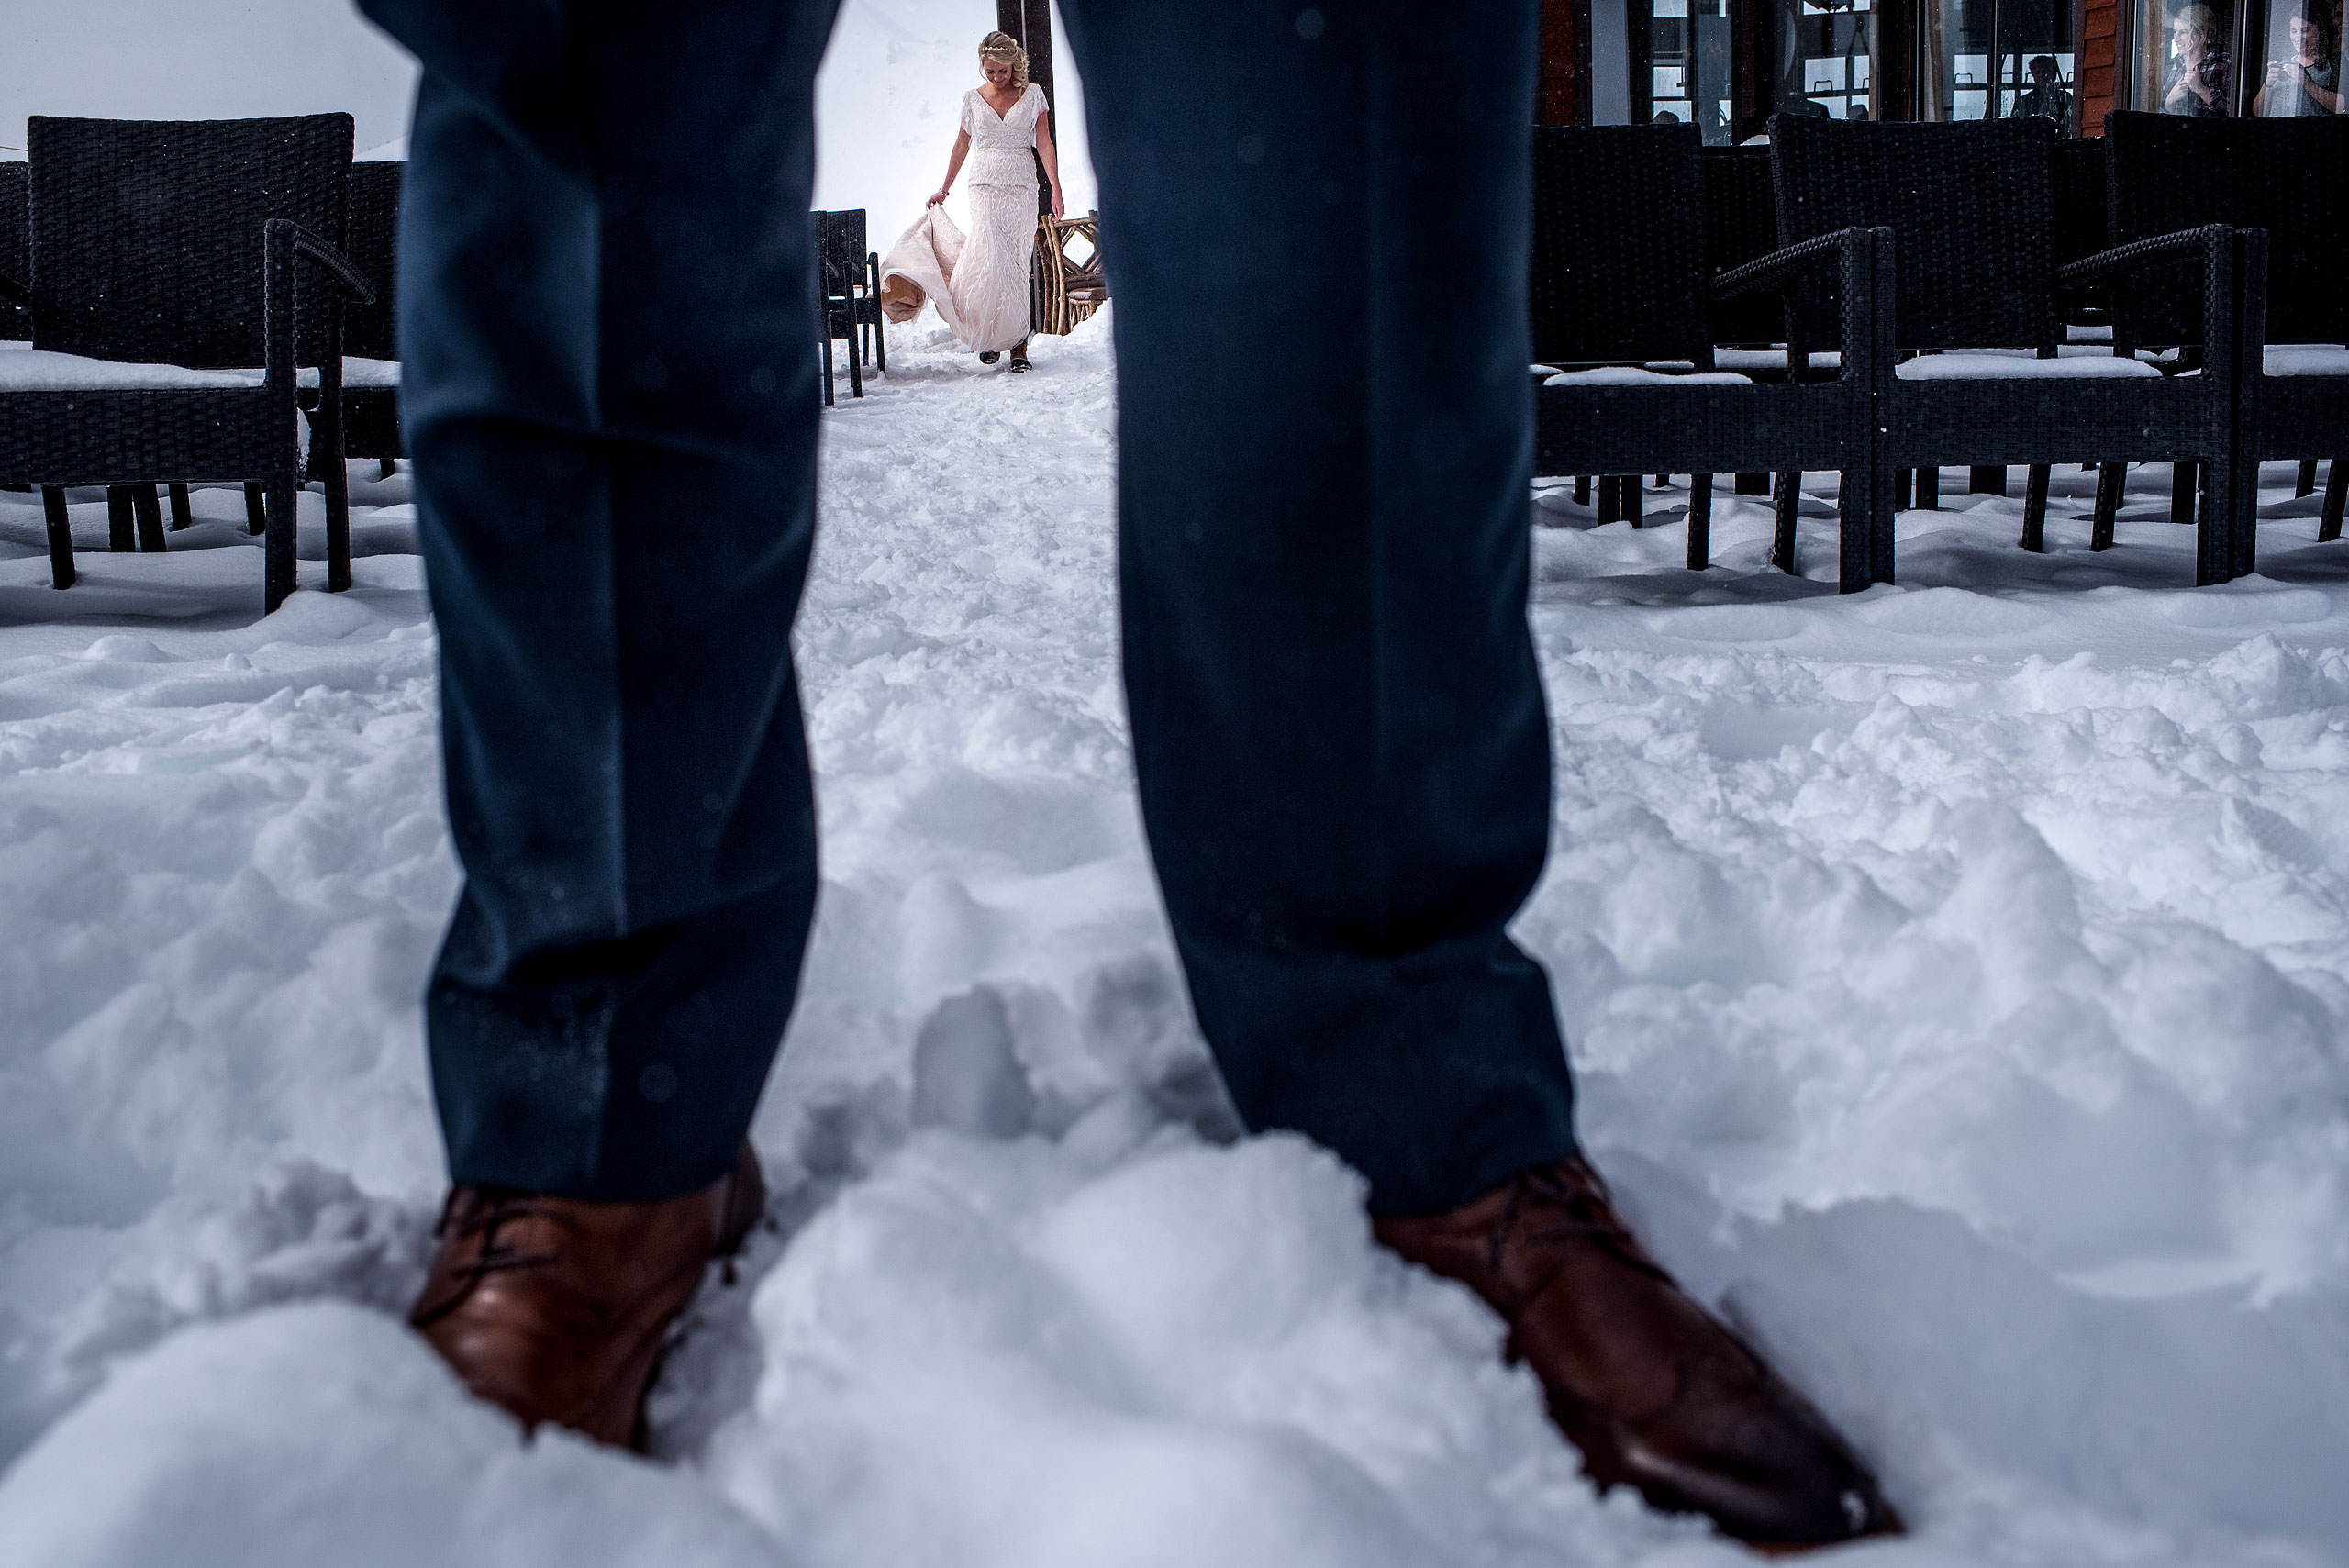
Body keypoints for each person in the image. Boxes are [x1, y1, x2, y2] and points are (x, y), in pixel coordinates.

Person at [352, 0, 1902, 1551]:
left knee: (1326, 164)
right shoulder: (983, 107)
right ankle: (603, 1102)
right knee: (588, 105)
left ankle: (1412, 1073)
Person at [884, 32, 1066, 372]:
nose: (996, 78)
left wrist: (1055, 188)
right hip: (983, 186)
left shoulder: (1033, 95)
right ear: (982, 68)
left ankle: (1018, 346)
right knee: (989, 261)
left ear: (1015, 67)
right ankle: (990, 337)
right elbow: (961, 145)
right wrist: (944, 188)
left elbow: (1044, 144)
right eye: (990, 71)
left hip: (1022, 188)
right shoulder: (972, 98)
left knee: (1014, 267)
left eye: (1003, 71)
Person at [2253, 7, 2343, 113]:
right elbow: (2258, 112)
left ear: (2319, 31)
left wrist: (2307, 84)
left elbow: (2342, 107)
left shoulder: (2333, 63)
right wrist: (2268, 84)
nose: (2298, 37)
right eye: (2294, 31)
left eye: (2305, 31)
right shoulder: (2282, 65)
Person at [2164, 4, 2234, 114]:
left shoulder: (2222, 65)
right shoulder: (2170, 66)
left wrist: (2200, 88)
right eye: (2174, 32)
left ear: (2201, 34)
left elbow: (2232, 112)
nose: (2176, 39)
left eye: (2183, 32)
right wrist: (2169, 102)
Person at [2017, 55, 2073, 126]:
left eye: (2045, 72)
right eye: (2037, 73)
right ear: (2033, 76)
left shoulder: (2064, 98)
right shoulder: (2024, 101)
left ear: (2054, 75)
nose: (2042, 75)